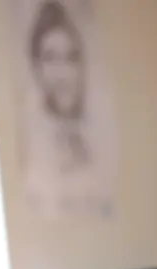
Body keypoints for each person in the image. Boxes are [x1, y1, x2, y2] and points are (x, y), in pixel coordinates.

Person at [28, 0, 89, 172]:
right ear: (36, 66)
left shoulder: (88, 140)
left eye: (71, 57)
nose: (63, 73)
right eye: (50, 58)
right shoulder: (36, 143)